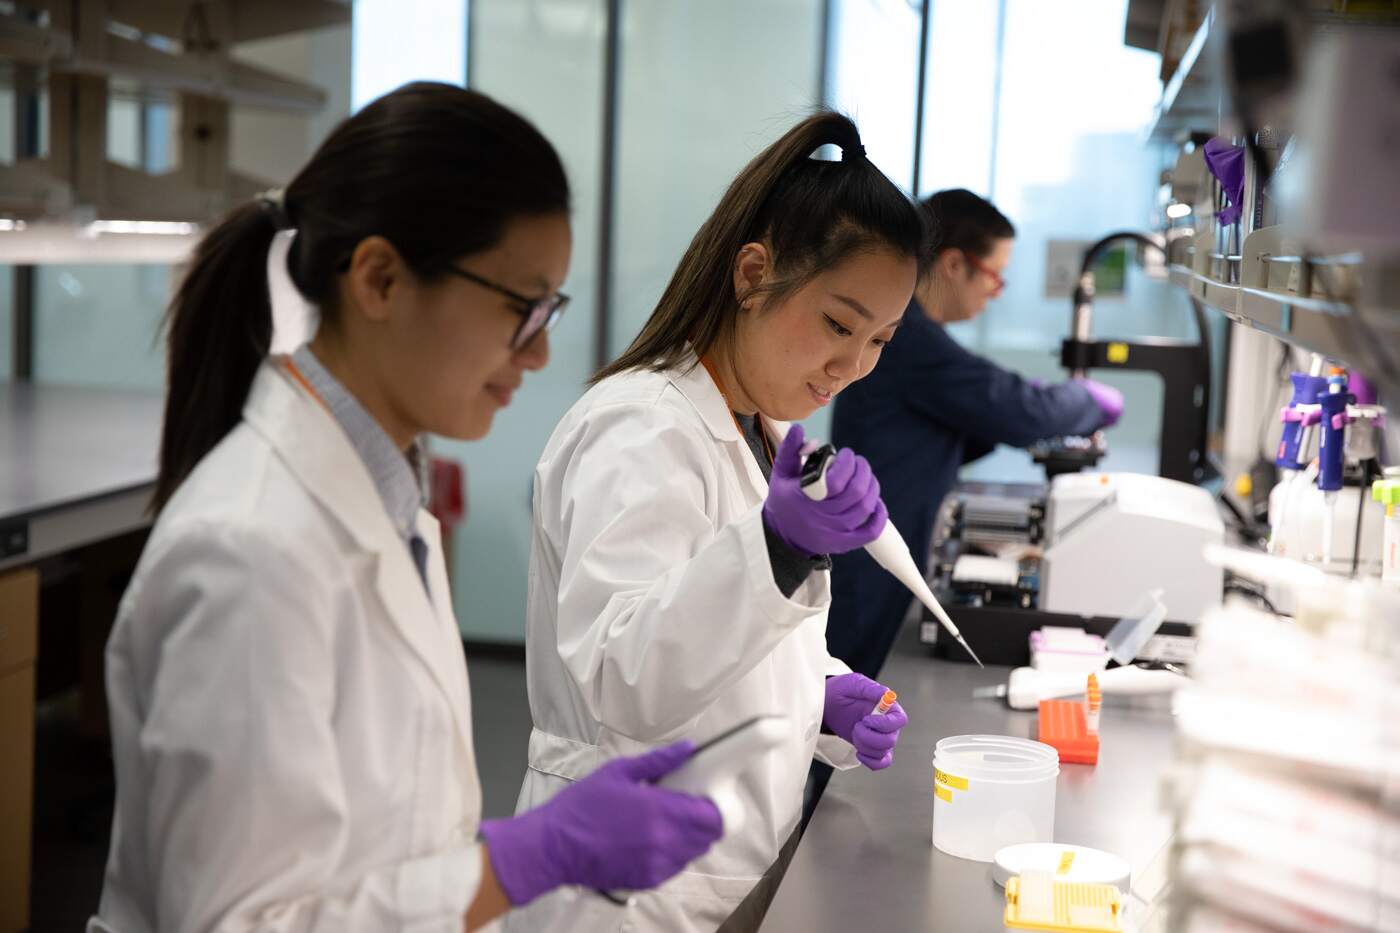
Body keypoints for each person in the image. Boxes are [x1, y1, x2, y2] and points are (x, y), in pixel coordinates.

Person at [89, 83, 723, 933]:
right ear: (380, 279)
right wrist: (520, 860)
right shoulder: (250, 549)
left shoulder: (385, 502)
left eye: (551, 309)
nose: (540, 351)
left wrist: (503, 861)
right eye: (522, 307)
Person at [509, 112, 918, 933]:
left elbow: (728, 634)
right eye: (839, 324)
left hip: (727, 865)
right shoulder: (639, 428)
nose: (853, 366)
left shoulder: (762, 429)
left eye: (880, 338)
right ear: (753, 274)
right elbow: (624, 673)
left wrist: (820, 690)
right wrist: (778, 547)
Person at [826, 189, 1124, 678]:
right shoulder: (909, 338)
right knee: (844, 694)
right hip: (871, 561)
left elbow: (983, 409)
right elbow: (1016, 410)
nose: (998, 291)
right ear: (953, 264)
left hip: (882, 542)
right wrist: (1085, 401)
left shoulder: (917, 335)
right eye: (994, 275)